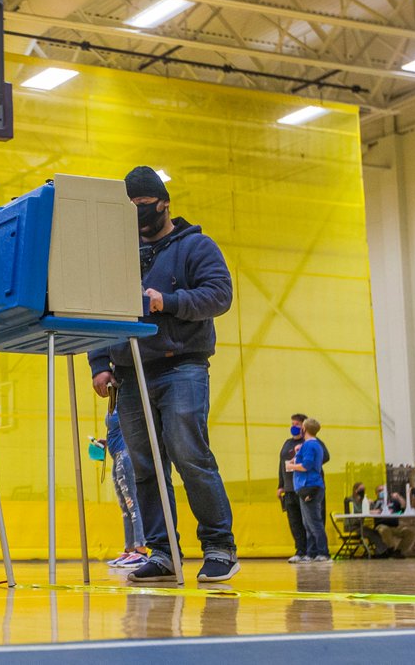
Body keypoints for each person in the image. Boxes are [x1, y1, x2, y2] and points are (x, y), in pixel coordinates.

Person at [87, 166, 238, 583]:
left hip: (182, 367)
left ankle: (219, 547)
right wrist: (100, 364)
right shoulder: (119, 256)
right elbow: (98, 310)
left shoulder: (196, 246)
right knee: (145, 466)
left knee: (191, 456)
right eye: (130, 207)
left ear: (164, 203)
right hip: (130, 375)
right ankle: (163, 551)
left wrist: (167, 302)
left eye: (144, 205)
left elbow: (219, 295)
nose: (138, 213)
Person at [278, 413, 330, 562]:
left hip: (310, 485)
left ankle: (322, 552)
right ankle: (308, 552)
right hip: (298, 486)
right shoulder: (302, 444)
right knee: (306, 523)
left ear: (304, 427)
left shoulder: (312, 444)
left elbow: (307, 465)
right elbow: (288, 462)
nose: (294, 427)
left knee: (314, 522)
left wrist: (293, 465)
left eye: (297, 424)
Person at [106, 407, 148, 568]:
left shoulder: (127, 400)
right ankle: (130, 549)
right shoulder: (114, 401)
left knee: (132, 503)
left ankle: (141, 551)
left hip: (126, 455)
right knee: (125, 507)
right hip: (117, 455)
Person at [370, 485, 415, 558]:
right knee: (385, 530)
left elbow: (404, 506)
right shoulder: (374, 503)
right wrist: (376, 511)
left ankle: (398, 552)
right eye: (379, 491)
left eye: (383, 490)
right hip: (381, 526)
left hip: (395, 527)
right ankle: (391, 550)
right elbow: (366, 511)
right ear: (376, 493)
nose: (381, 492)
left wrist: (398, 497)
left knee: (410, 533)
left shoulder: (393, 501)